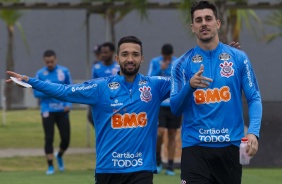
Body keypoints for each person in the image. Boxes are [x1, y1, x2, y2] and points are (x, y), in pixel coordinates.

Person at [7, 36, 170, 184]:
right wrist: (31, 81)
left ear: (142, 59)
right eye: (125, 54)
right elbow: (64, 91)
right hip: (108, 169)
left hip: (141, 171)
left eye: (135, 54)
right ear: (117, 58)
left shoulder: (155, 85)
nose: (130, 59)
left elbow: (187, 80)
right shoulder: (100, 87)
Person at [170, 1, 262, 184]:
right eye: (198, 20)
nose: (203, 23)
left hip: (230, 147)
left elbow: (254, 98)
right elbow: (175, 108)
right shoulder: (181, 63)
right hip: (195, 148)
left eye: (208, 18)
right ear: (193, 27)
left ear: (217, 23)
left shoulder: (239, 58)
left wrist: (253, 133)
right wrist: (189, 86)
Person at [33, 50, 73, 175]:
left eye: (52, 61)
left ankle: (59, 155)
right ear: (44, 61)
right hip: (47, 109)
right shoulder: (40, 74)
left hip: (62, 109)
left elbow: (70, 89)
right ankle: (50, 166)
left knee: (66, 139)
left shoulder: (64, 71)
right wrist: (50, 90)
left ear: (55, 59)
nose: (50, 64)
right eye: (47, 62)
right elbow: (36, 92)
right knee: (49, 137)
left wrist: (68, 105)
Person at [147, 43, 182, 176]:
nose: (167, 59)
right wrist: (160, 69)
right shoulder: (155, 62)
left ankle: (171, 166)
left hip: (174, 104)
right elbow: (149, 79)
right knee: (160, 133)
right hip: (160, 105)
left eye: (169, 56)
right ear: (162, 54)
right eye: (165, 56)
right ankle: (158, 160)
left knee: (172, 134)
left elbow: (181, 80)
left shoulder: (178, 62)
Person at [87, 42, 120, 126]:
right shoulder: (96, 67)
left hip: (114, 100)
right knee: (91, 117)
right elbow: (93, 83)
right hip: (99, 99)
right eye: (102, 52)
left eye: (106, 52)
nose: (103, 55)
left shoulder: (118, 67)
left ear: (112, 52)